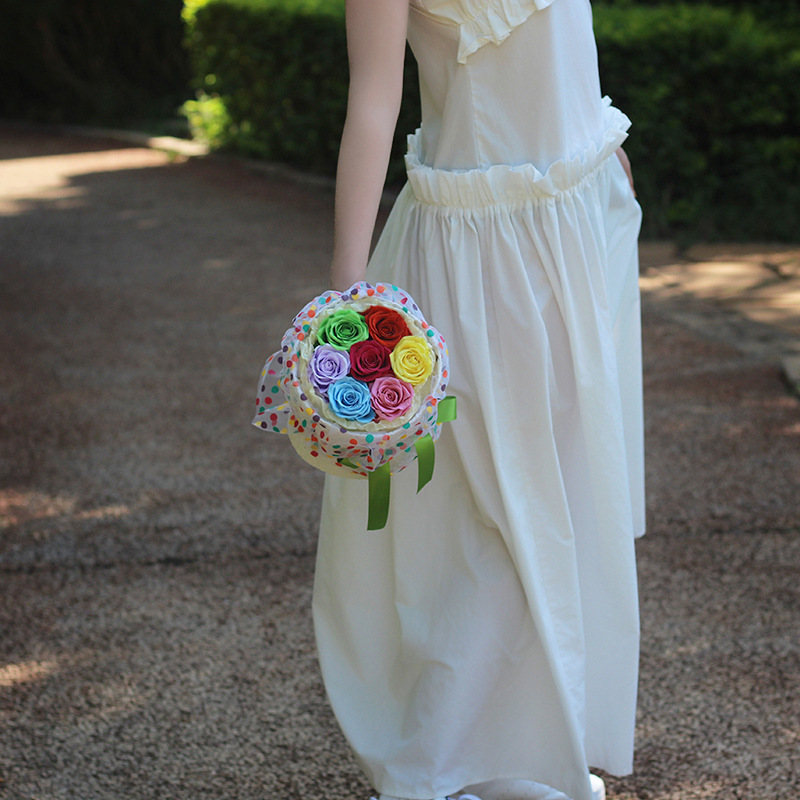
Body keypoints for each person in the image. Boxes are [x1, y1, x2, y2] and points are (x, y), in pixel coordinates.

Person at [312, 2, 644, 800]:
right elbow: (373, 102)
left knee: (567, 489)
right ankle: (473, 760)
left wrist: (611, 165)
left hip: (585, 216)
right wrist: (344, 301)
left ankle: (535, 749)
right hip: (480, 250)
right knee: (494, 508)